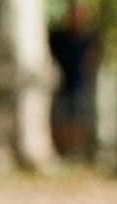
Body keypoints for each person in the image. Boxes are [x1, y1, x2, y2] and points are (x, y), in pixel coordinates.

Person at [49, 1, 98, 158]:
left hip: (79, 84)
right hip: (59, 85)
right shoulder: (56, 37)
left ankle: (75, 153)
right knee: (59, 121)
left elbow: (91, 61)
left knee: (77, 121)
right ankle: (61, 151)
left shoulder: (88, 38)